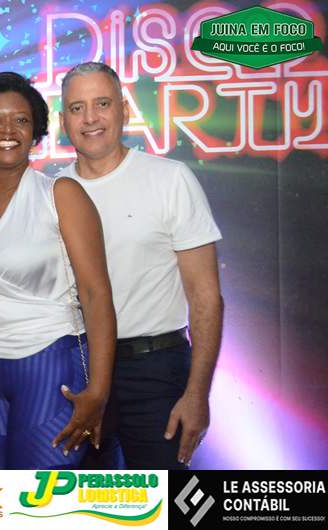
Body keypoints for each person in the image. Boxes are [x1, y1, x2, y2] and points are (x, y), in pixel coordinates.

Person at [0, 72, 117, 469]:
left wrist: (99, 390)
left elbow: (97, 295)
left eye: (20, 120)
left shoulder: (62, 195)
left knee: (43, 497)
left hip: (50, 370)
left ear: (35, 131)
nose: (7, 130)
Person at [57, 62, 223, 469]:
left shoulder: (169, 179)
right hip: (76, 367)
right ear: (63, 122)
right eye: (77, 108)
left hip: (155, 372)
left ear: (124, 111)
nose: (90, 118)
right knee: (81, 498)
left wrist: (197, 394)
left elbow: (205, 297)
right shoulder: (50, 192)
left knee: (162, 497)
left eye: (102, 104)